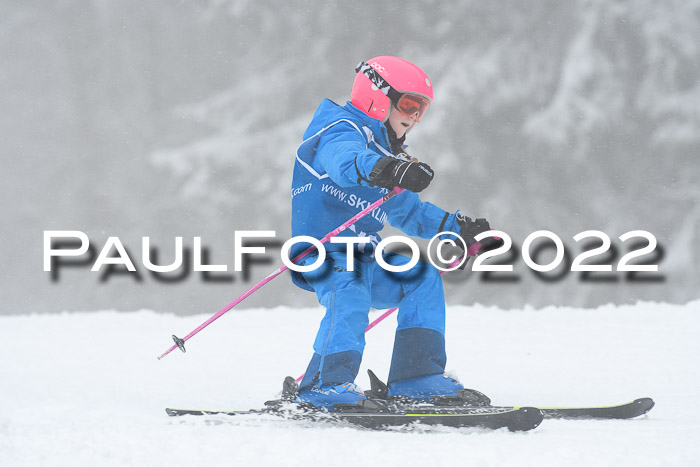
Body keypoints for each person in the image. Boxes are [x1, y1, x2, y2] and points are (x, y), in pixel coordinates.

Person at [289, 56, 499, 410]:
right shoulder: (339, 130)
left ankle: (417, 378)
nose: (416, 116)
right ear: (378, 95)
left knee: (421, 276)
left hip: (366, 254)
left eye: (423, 109)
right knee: (350, 288)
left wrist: (457, 228)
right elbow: (345, 163)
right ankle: (324, 386)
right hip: (324, 252)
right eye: (410, 104)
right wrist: (388, 169)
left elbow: (409, 212)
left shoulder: (389, 152)